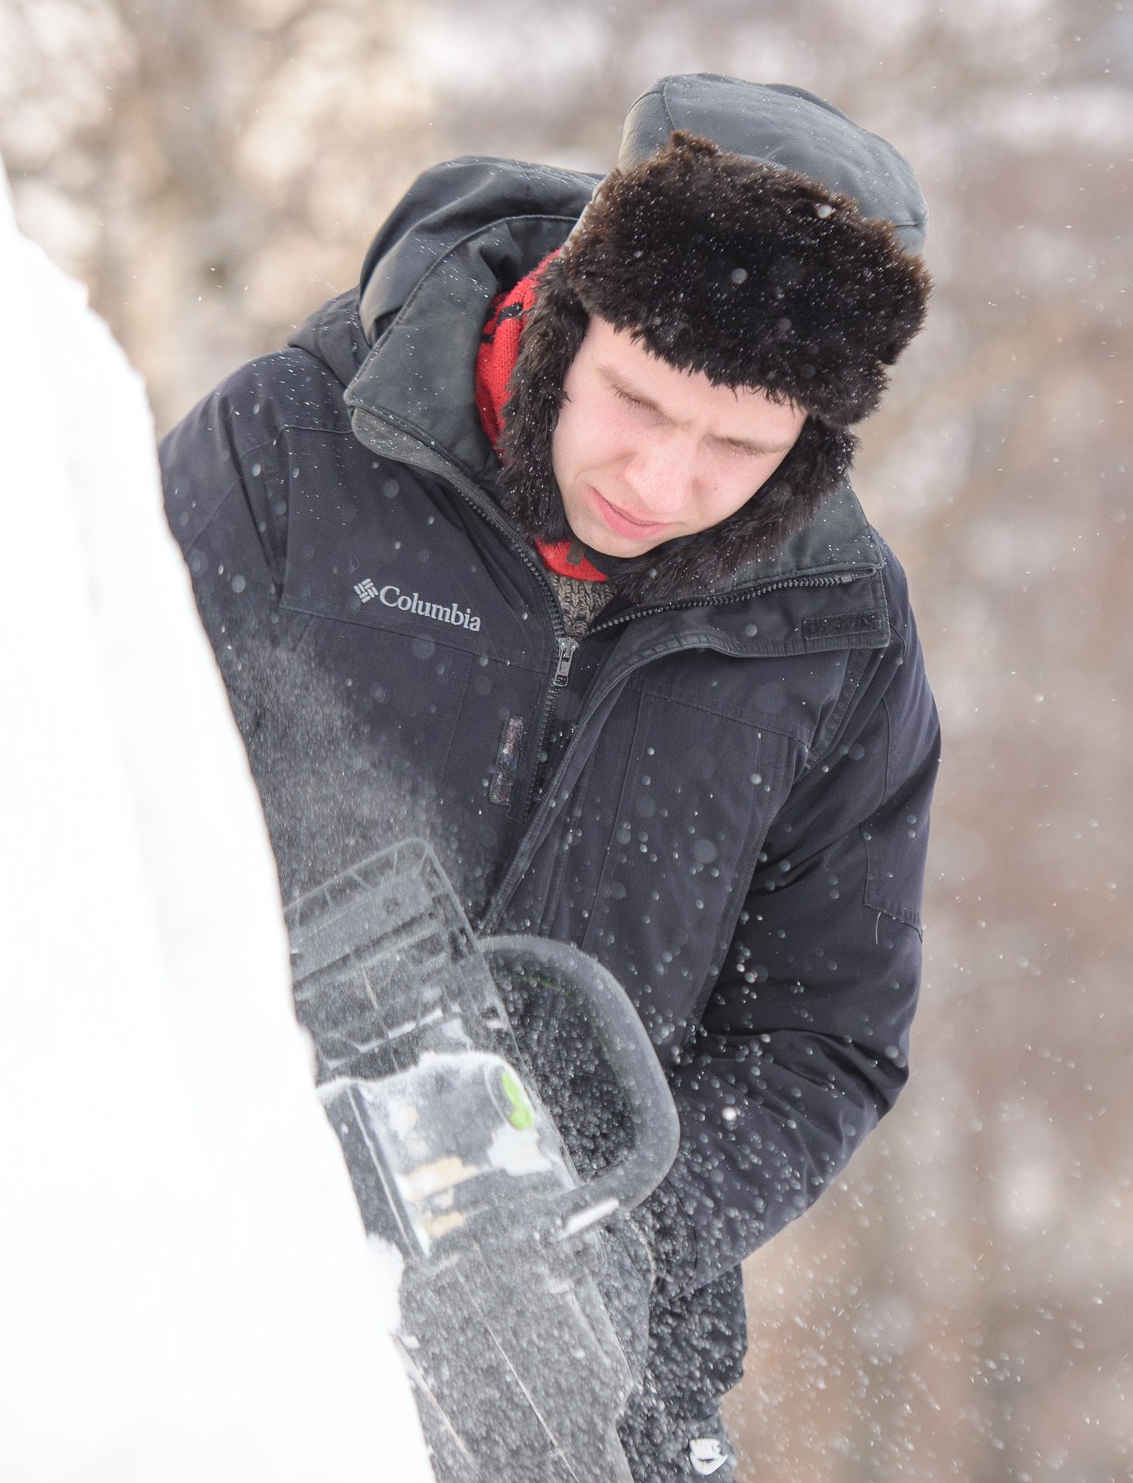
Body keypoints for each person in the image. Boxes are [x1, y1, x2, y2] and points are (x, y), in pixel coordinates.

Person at [160, 74, 941, 1481]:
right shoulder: (292, 450)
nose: (663, 476)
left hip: (599, 1378)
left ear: (813, 449)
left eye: (742, 447)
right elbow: (89, 820)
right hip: (231, 1296)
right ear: (571, 320)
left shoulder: (836, 629)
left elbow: (829, 1032)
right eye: (636, 401)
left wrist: (611, 1237)